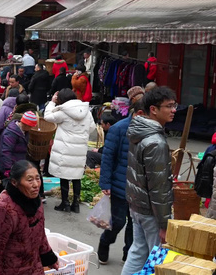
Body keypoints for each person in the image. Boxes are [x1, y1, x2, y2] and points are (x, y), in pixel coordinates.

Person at [121, 87, 176, 275]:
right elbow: (159, 188)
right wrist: (165, 224)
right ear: (153, 109)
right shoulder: (156, 142)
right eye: (169, 106)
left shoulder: (139, 130)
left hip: (137, 206)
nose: (174, 110)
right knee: (158, 257)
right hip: (151, 211)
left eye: (174, 105)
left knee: (138, 251)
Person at [0, 160, 58, 274]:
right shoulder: (3, 209)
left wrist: (50, 258)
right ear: (14, 182)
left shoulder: (36, 201)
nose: (36, 184)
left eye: (37, 178)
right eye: (29, 180)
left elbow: (40, 234)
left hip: (33, 268)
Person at [97, 101, 146, 265]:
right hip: (120, 185)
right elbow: (108, 158)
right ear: (138, 113)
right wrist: (105, 183)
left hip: (140, 188)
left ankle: (129, 254)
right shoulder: (118, 129)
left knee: (135, 225)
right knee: (118, 222)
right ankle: (105, 241)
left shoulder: (150, 130)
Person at [44, 88, 96, 213]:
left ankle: (65, 203)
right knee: (77, 176)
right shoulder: (86, 111)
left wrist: (51, 103)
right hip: (80, 149)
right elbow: (92, 127)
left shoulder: (63, 112)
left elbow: (47, 117)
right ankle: (76, 204)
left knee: (64, 176)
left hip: (65, 149)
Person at [0, 111, 37, 177]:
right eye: (30, 126)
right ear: (25, 124)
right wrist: (8, 169)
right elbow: (6, 151)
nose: (31, 128)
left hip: (19, 165)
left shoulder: (25, 131)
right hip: (11, 166)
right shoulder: (11, 133)